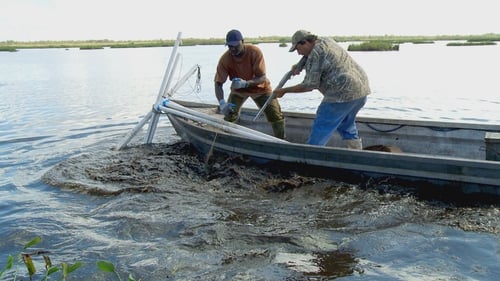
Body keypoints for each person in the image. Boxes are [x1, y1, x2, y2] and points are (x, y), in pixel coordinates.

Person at [274, 30, 371, 149]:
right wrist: (299, 66)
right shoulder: (325, 40)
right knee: (346, 123)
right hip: (361, 90)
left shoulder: (315, 53)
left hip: (341, 94)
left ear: (304, 42)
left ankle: (311, 155)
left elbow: (309, 85)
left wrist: (283, 91)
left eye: (298, 49)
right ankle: (357, 151)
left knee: (322, 125)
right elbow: (309, 57)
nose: (298, 53)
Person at [214, 29, 286, 139]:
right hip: (238, 91)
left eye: (235, 45)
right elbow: (218, 83)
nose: (232, 49)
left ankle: (281, 141)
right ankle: (228, 140)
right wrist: (222, 103)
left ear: (242, 41)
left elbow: (262, 78)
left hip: (260, 88)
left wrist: (246, 84)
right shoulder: (225, 59)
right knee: (229, 115)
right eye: (229, 46)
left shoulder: (254, 52)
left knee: (276, 115)